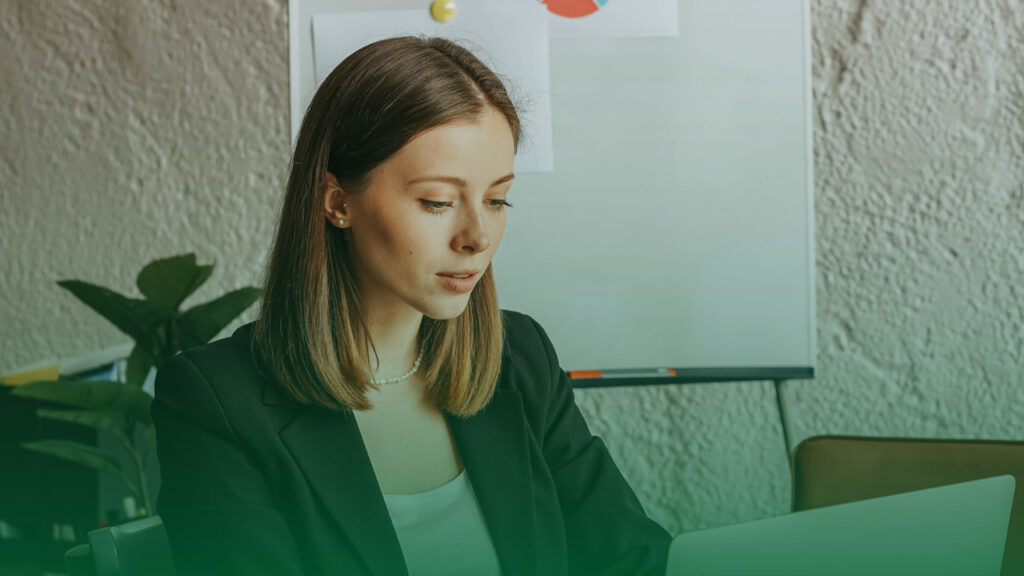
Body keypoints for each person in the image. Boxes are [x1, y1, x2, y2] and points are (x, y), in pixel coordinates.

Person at [151, 35, 672, 576]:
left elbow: (631, 555)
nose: (477, 236)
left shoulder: (521, 355)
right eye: (437, 202)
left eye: (497, 200)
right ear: (337, 202)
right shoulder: (215, 401)